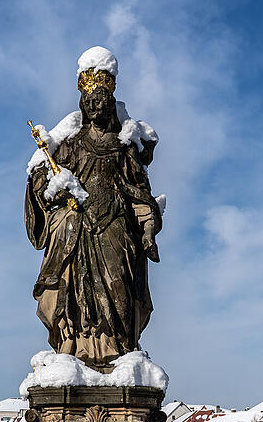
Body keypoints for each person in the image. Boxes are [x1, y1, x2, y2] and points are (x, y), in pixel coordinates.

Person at [24, 54, 162, 368]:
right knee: (73, 289)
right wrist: (47, 180)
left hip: (115, 223)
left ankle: (118, 346)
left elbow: (139, 189)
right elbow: (41, 184)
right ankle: (75, 345)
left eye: (103, 101)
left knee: (119, 286)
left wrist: (147, 222)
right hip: (78, 226)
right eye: (91, 102)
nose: (97, 107)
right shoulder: (70, 144)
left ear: (111, 105)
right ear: (84, 107)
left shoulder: (122, 146)